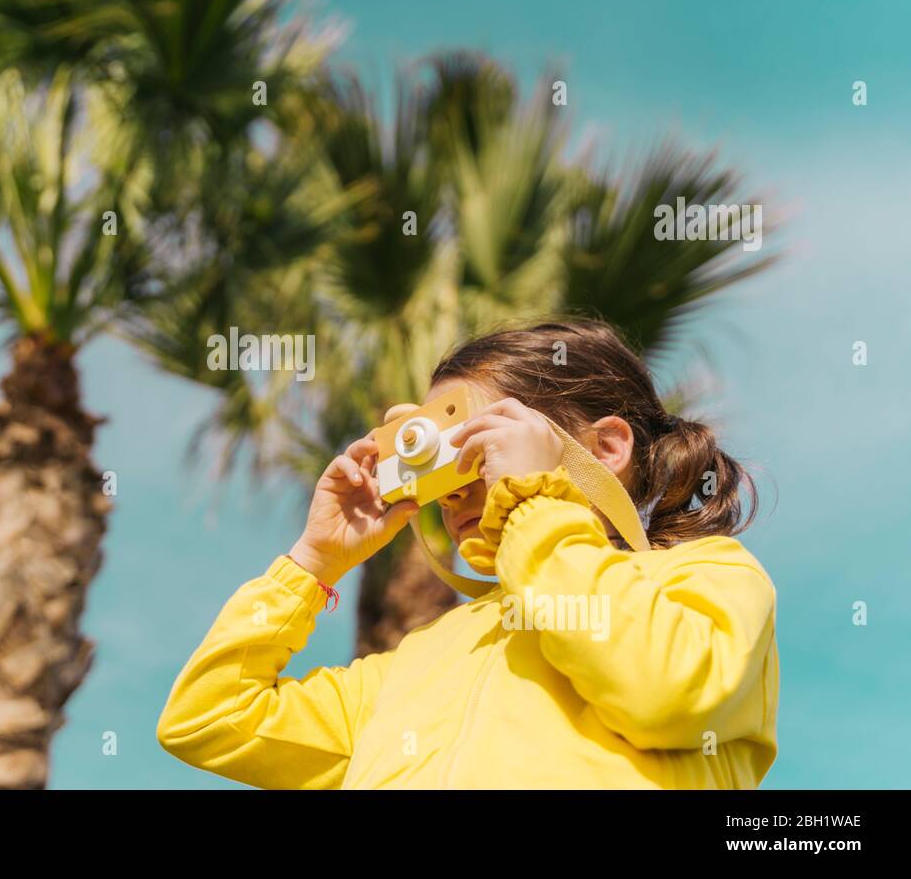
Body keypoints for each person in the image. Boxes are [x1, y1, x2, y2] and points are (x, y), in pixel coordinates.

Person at [157, 319, 779, 788]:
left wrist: (531, 501)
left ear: (608, 447)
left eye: (481, 445)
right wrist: (314, 563)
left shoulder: (705, 577)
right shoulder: (415, 660)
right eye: (441, 464)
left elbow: (664, 692)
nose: (456, 489)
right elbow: (211, 718)